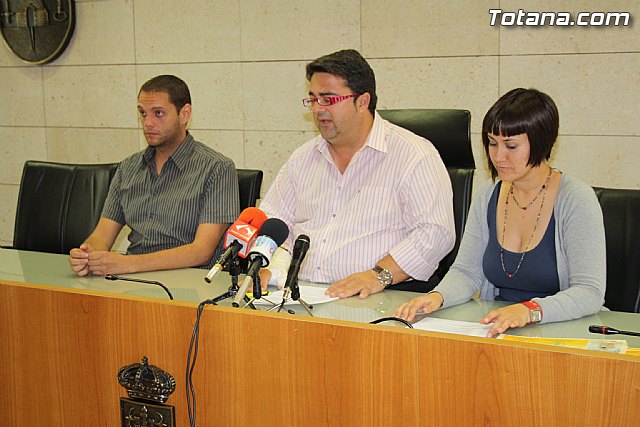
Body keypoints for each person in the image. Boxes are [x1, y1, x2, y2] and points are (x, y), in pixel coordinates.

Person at [395, 88, 606, 336]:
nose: (498, 156)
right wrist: (437, 297)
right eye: (492, 143)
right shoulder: (488, 194)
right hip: (498, 329)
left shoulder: (576, 198)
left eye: (511, 146)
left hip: (560, 333)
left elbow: (589, 292)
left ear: (541, 142)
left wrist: (530, 311)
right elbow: (466, 272)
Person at [259, 49, 455, 299]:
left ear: (362, 101)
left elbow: (435, 233)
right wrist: (271, 268)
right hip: (301, 296)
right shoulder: (303, 158)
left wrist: (379, 275)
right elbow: (274, 221)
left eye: (328, 100)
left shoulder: (413, 155)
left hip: (379, 297)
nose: (317, 109)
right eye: (313, 99)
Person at [68, 75, 240, 276]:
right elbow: (101, 237)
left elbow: (201, 251)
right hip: (131, 280)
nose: (147, 123)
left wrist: (128, 264)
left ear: (184, 114)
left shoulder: (217, 169)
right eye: (143, 113)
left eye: (158, 113)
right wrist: (87, 253)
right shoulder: (127, 168)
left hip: (189, 283)